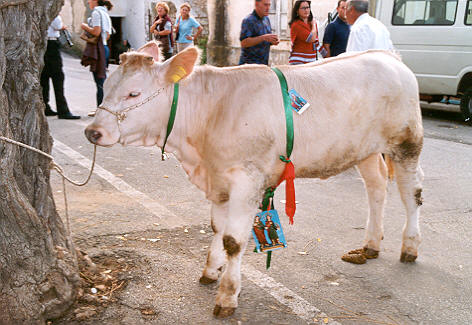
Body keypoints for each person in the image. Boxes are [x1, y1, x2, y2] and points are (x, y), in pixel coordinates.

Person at [40, 16, 80, 119]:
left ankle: (45, 106)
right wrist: (63, 26)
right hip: (51, 44)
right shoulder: (53, 12)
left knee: (44, 78)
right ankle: (63, 110)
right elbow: (58, 25)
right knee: (58, 78)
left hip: (44, 44)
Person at [81, 0, 113, 117]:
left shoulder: (96, 13)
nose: (88, 1)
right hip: (104, 47)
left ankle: (101, 110)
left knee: (99, 80)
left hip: (98, 49)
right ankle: (104, 108)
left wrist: (84, 26)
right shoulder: (105, 13)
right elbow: (108, 34)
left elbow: (96, 31)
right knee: (102, 79)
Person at [239, 0, 279, 65]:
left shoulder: (266, 20)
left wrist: (272, 41)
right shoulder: (248, 20)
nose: (268, 8)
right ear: (256, 4)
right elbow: (244, 43)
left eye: (269, 5)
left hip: (263, 65)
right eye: (265, 5)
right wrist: (263, 38)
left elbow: (266, 40)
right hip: (248, 65)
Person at [288, 0, 320, 65]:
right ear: (297, 11)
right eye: (303, 8)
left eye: (308, 7)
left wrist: (326, 54)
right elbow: (311, 39)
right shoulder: (296, 25)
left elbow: (316, 42)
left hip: (310, 61)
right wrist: (314, 24)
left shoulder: (310, 24)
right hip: (299, 62)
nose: (306, 10)